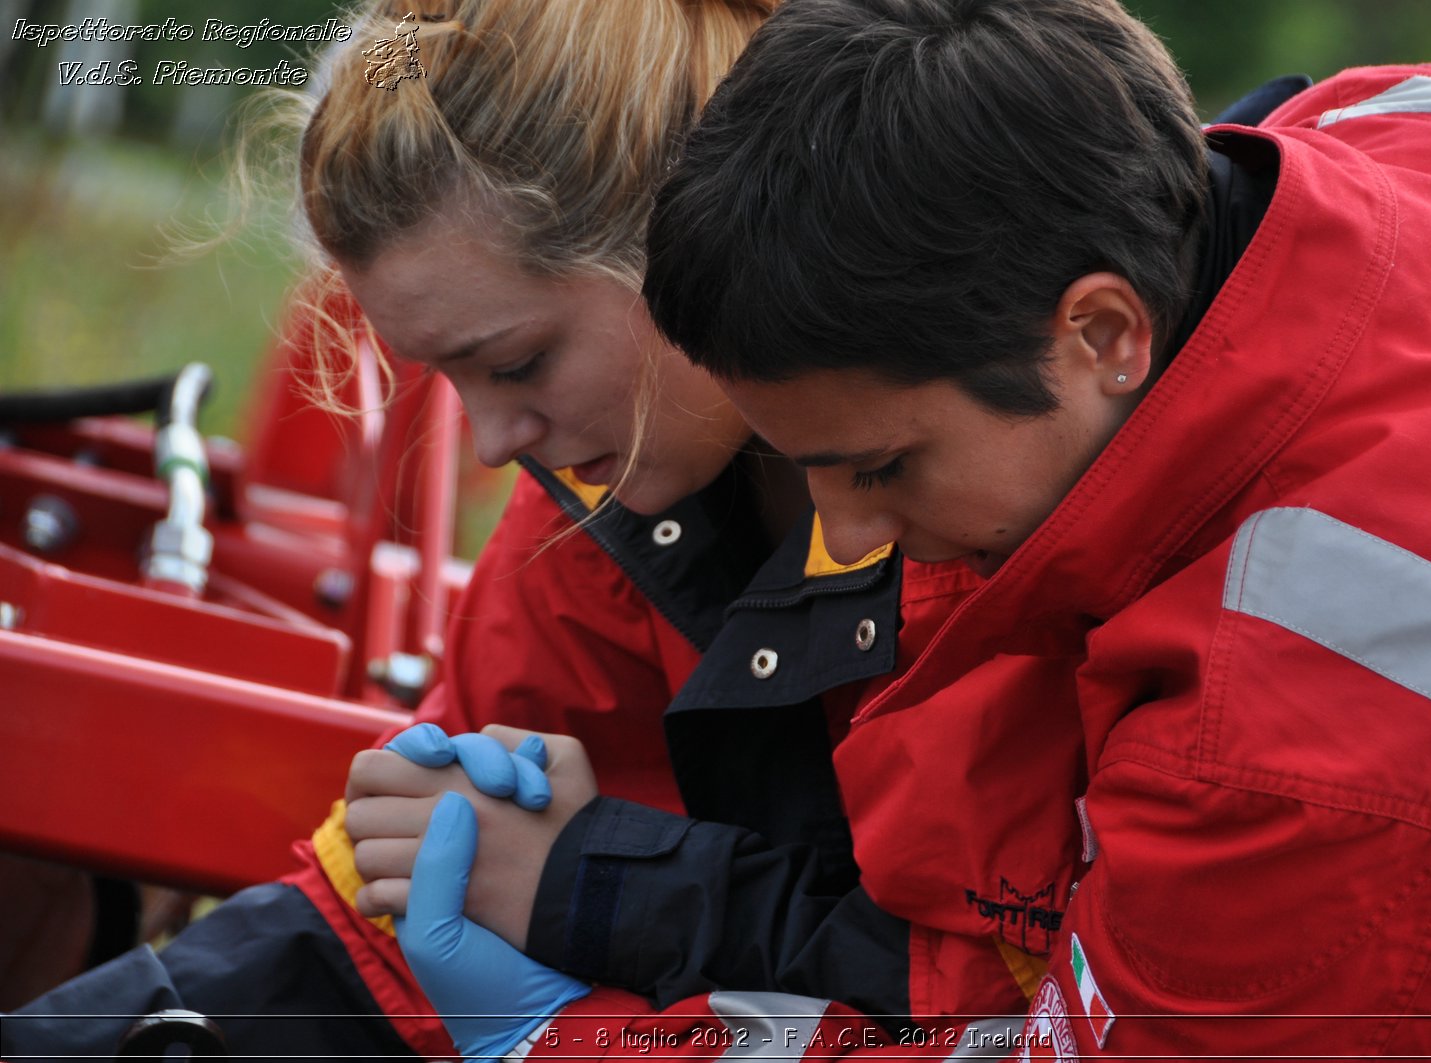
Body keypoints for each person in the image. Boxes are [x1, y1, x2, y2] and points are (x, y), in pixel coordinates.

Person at [388, 0, 1431, 1058]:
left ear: (1103, 333)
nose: (851, 530)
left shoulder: (1299, 725)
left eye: (880, 466)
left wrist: (569, 1042)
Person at [1, 0, 1074, 1059]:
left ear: (693, 239)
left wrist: (596, 896)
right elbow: (390, 937)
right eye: (447, 377)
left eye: (515, 363)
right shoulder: (602, 513)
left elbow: (990, 1002)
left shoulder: (1001, 525)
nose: (490, 443)